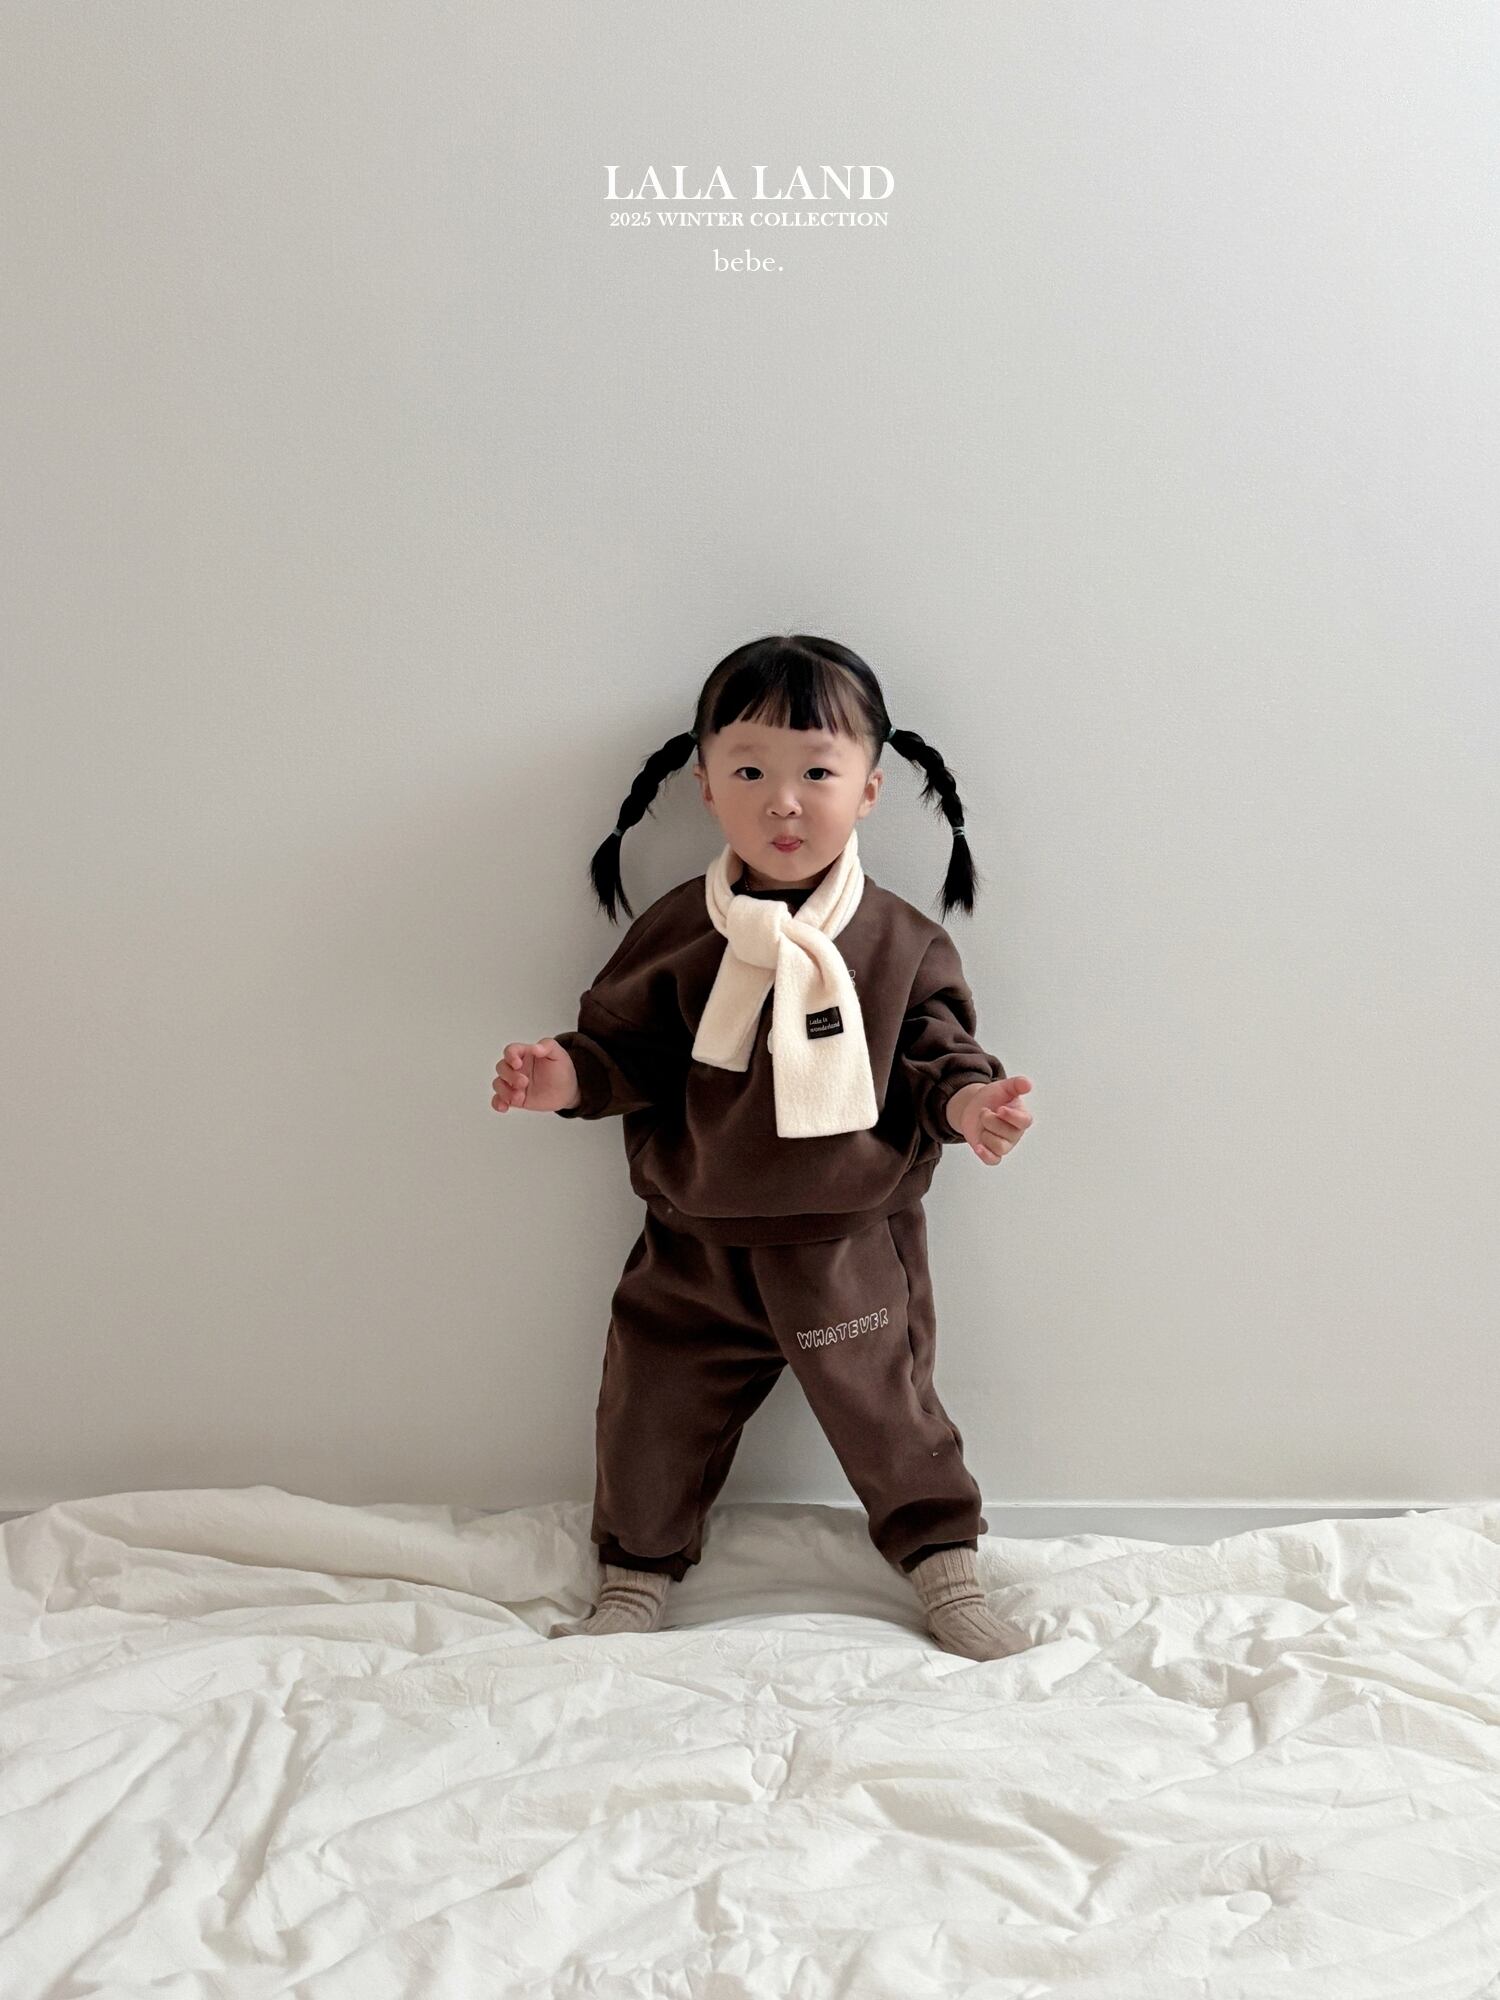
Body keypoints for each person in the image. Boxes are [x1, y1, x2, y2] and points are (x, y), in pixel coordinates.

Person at [493, 634, 1035, 1659]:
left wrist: (972, 1108)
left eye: (816, 773)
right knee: (649, 1412)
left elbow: (935, 1057)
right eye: (750, 772)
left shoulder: (898, 940)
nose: (784, 803)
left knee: (892, 1416)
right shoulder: (678, 932)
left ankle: (946, 1572)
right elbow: (624, 1051)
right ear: (705, 786)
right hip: (693, 1242)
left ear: (869, 789)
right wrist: (560, 1077)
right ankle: (636, 1575)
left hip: (844, 1243)